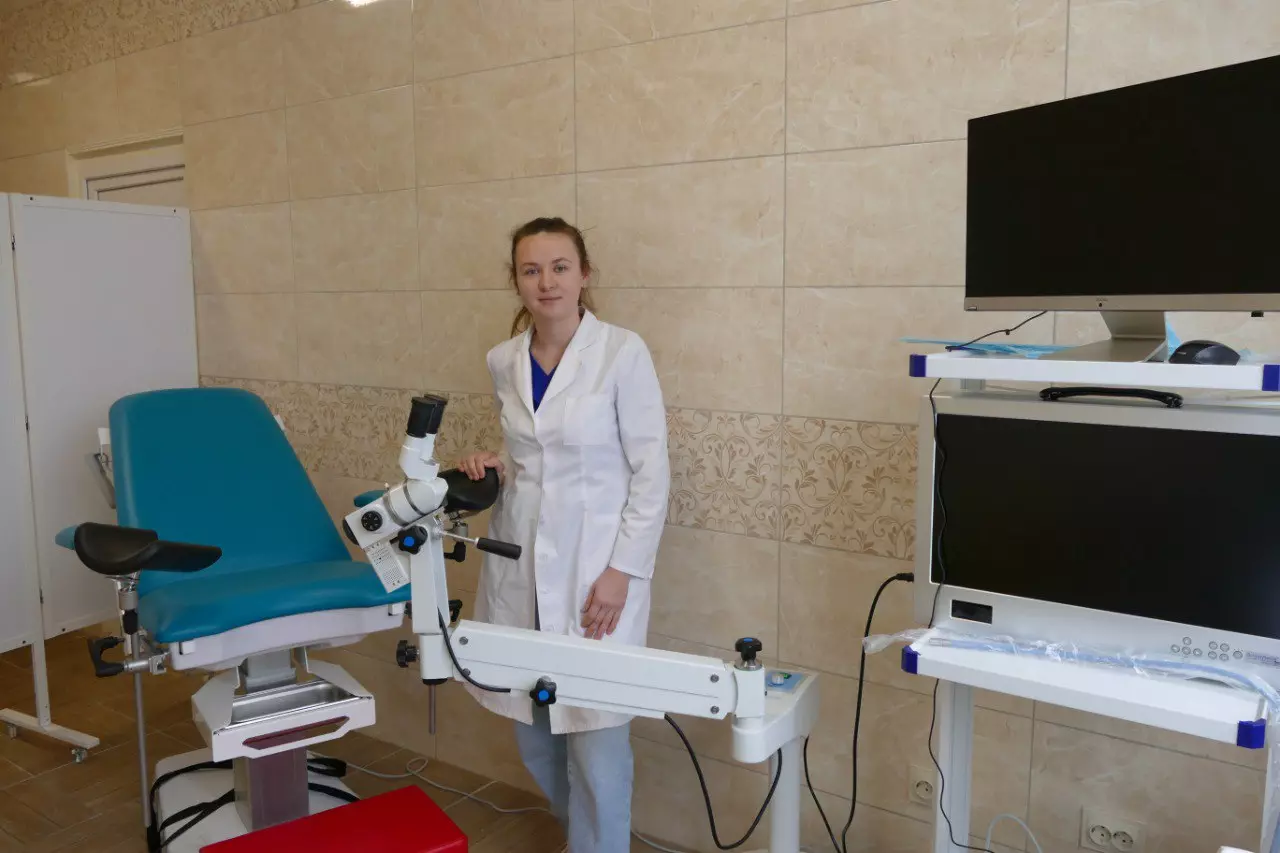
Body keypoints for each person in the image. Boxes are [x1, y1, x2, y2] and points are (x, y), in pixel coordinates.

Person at [458, 217, 670, 853]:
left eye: (559, 267)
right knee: (534, 733)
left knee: (597, 744)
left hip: (596, 571)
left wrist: (621, 571)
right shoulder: (503, 360)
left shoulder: (621, 352)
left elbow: (651, 472)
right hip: (519, 568)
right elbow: (530, 457)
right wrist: (494, 465)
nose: (546, 282)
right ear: (516, 281)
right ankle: (580, 838)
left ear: (584, 275)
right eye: (531, 270)